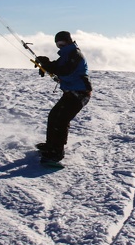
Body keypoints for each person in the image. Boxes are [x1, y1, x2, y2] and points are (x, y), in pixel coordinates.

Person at [33, 31, 92, 163]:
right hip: (71, 92)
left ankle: (56, 152)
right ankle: (51, 145)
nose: (59, 46)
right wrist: (44, 63)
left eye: (61, 43)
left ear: (68, 41)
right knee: (54, 116)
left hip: (80, 93)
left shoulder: (75, 54)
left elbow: (66, 70)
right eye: (57, 44)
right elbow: (57, 66)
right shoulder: (66, 54)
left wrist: (49, 66)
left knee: (61, 119)